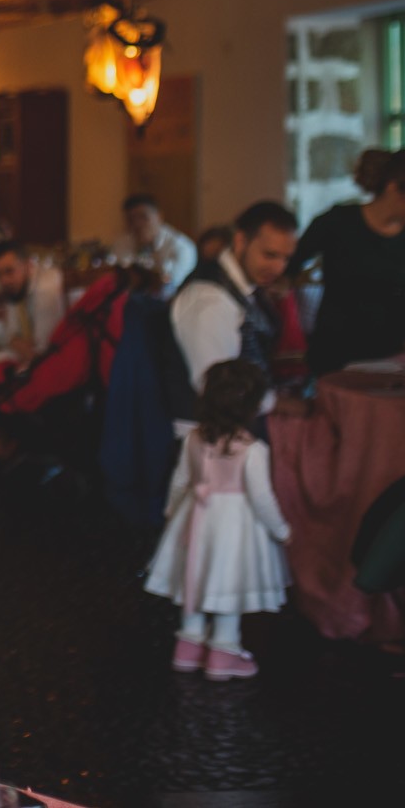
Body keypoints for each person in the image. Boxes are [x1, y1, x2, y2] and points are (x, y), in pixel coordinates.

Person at [143, 358, 292, 680]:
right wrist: (281, 530)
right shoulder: (252, 450)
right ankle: (224, 651)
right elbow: (262, 499)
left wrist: (171, 514)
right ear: (251, 406)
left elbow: (181, 481)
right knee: (228, 583)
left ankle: (189, 645)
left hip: (195, 517)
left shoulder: (194, 438)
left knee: (193, 578)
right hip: (235, 528)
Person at [288, 148, 405, 376]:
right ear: (394, 189)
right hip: (334, 352)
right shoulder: (337, 222)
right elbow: (290, 262)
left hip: (389, 355)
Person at [170, 201, 298, 435]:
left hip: (241, 419)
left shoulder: (243, 288)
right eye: (269, 255)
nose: (278, 267)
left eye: (285, 258)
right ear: (240, 241)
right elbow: (216, 388)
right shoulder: (210, 299)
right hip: (211, 437)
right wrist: (278, 403)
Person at [0, 239, 66, 355]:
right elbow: (10, 335)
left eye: (9, 271)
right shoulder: (17, 287)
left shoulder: (45, 290)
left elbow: (43, 353)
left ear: (28, 265)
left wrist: (15, 342)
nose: (3, 281)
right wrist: (15, 341)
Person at [114, 193, 197, 295]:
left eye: (143, 217)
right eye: (131, 219)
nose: (137, 224)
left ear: (159, 216)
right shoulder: (122, 243)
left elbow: (170, 287)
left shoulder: (182, 247)